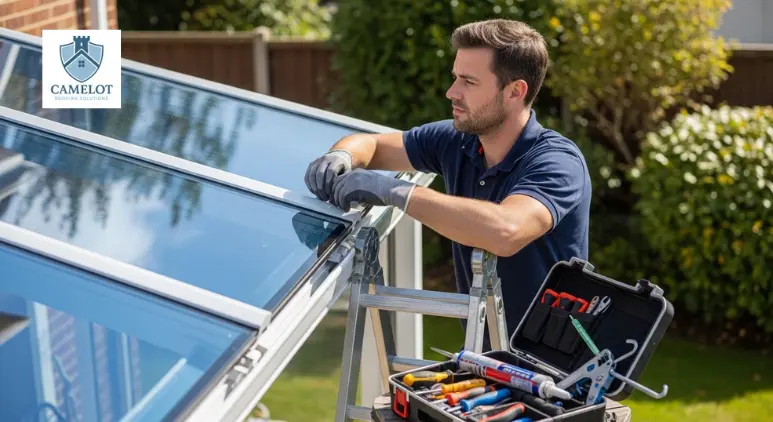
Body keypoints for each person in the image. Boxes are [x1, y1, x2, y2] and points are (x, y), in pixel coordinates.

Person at [304, 18, 592, 347]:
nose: (451, 92)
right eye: (456, 77)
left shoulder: (557, 162)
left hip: (554, 375)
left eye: (468, 82)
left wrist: (397, 192)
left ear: (515, 91)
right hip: (485, 361)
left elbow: (506, 231)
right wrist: (342, 156)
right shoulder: (458, 140)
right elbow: (373, 144)